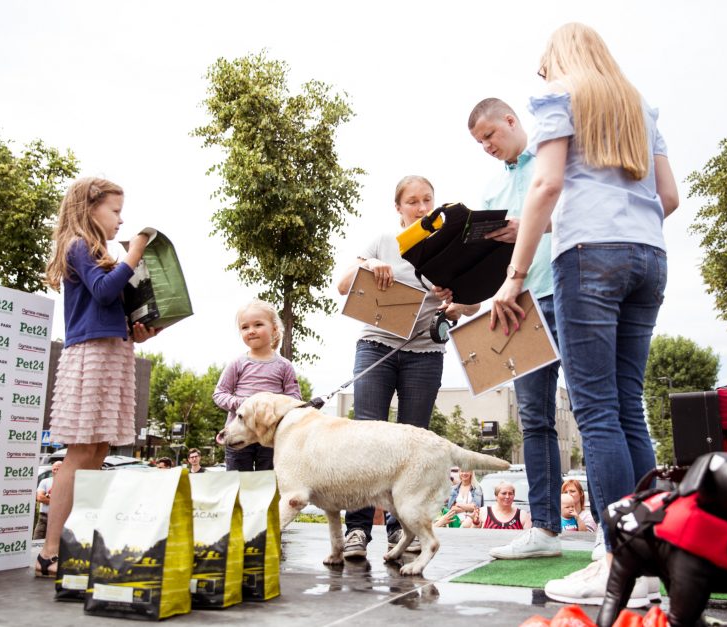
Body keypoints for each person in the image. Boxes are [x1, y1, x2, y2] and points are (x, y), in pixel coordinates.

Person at [490, 23, 678, 605]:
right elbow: (669, 196)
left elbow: (545, 183)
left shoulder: (561, 95)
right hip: (648, 257)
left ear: (558, 61)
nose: (542, 76)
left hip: (588, 260)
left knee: (594, 412)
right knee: (628, 408)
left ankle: (617, 558)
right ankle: (648, 557)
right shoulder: (639, 105)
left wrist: (513, 279)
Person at [335, 175, 479, 559]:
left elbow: (472, 306)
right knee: (365, 439)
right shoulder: (383, 241)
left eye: (427, 200)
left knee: (413, 444)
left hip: (425, 354)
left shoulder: (449, 249)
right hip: (376, 347)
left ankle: (403, 531)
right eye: (412, 201)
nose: (421, 207)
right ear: (398, 208)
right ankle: (357, 531)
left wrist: (455, 304)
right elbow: (342, 285)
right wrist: (371, 264)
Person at [35, 177, 160, 578]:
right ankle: (50, 550)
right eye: (115, 211)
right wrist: (134, 254)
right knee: (80, 451)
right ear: (89, 209)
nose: (121, 220)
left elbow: (111, 303)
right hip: (89, 355)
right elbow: (103, 292)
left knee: (100, 449)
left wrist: (140, 326)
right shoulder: (77, 245)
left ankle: (77, 542)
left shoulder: (100, 252)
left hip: (114, 350)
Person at [468, 97, 564, 560]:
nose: (486, 145)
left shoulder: (553, 154)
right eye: (479, 142)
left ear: (511, 120)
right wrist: (460, 289)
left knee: (592, 409)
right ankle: (544, 530)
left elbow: (569, 213)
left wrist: (526, 226)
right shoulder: (490, 193)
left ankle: (615, 528)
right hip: (520, 308)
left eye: (490, 135)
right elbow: (490, 264)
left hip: (568, 289)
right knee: (535, 420)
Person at [213, 299, 302, 471]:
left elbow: (295, 399)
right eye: (245, 327)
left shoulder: (284, 366)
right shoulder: (237, 363)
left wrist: (272, 407)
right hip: (238, 435)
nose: (251, 331)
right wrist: (246, 404)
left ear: (274, 328)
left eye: (258, 324)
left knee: (269, 486)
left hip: (270, 437)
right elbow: (219, 394)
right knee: (237, 486)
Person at [465, 482, 532, 530]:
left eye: (510, 493)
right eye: (504, 493)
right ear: (496, 496)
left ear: (514, 496)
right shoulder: (482, 512)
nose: (507, 496)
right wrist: (475, 523)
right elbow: (467, 533)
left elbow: (529, 539)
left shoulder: (522, 515)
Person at [33, 461, 62, 540]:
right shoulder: (45, 481)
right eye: (54, 469)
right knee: (36, 541)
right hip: (43, 518)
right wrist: (58, 501)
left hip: (59, 519)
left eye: (58, 469)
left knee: (55, 544)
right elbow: (39, 497)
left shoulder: (68, 483)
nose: (55, 471)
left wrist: (48, 497)